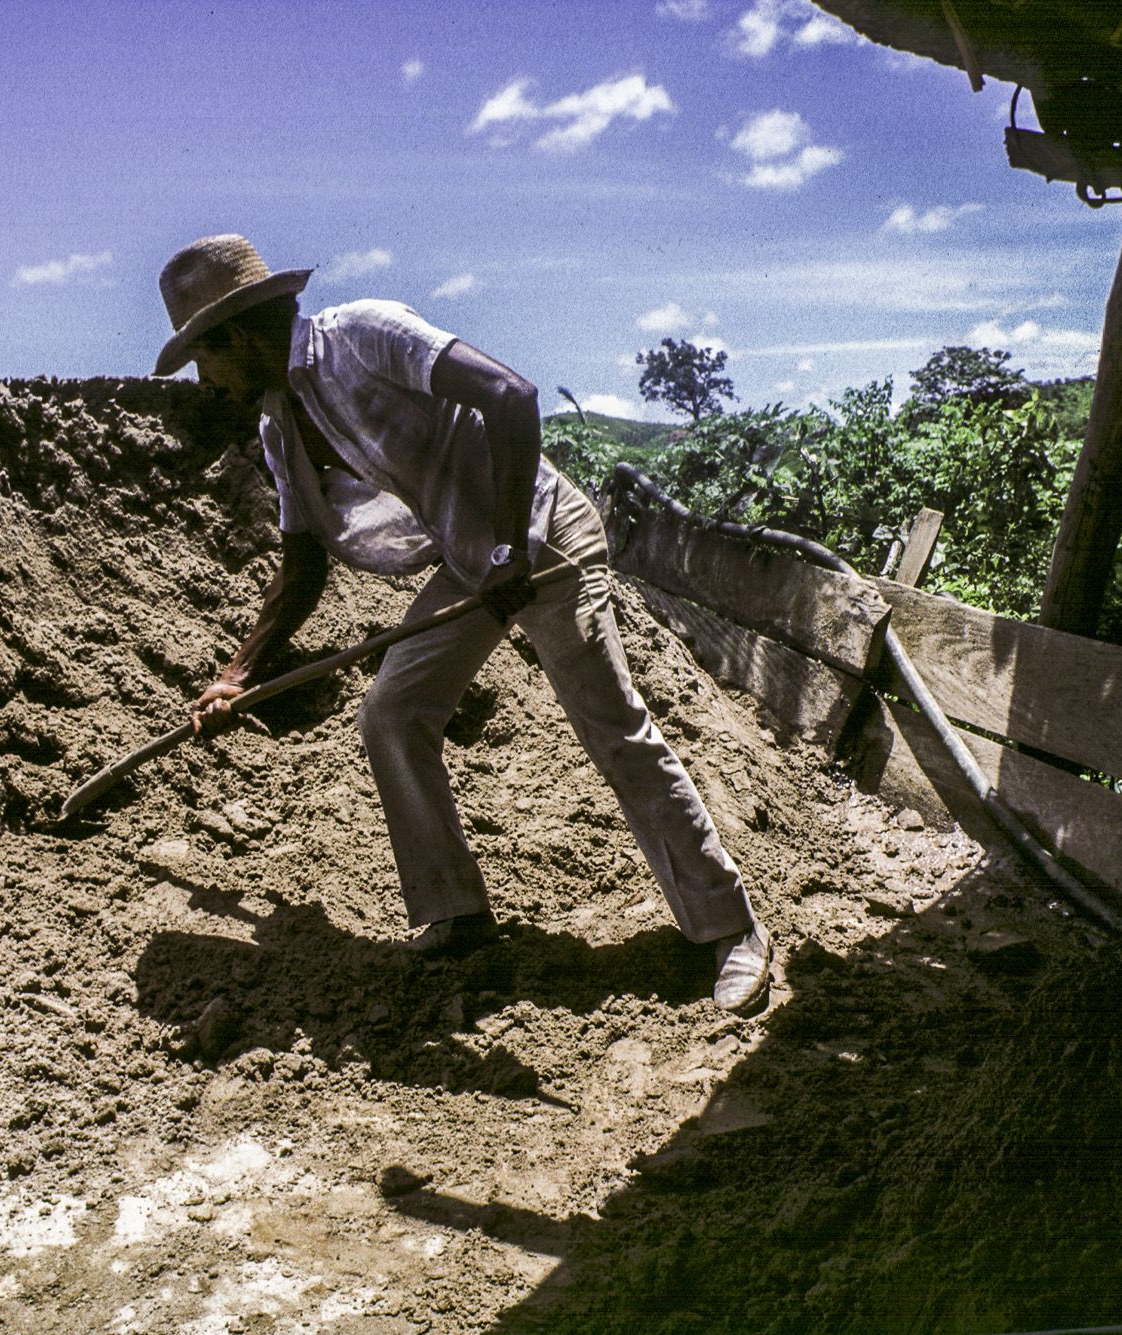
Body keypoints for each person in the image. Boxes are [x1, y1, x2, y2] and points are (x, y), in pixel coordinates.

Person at [153, 234, 772, 1013]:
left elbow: (510, 395)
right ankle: (454, 911)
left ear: (235, 337)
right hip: (474, 560)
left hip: (542, 541)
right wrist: (235, 675)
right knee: (391, 712)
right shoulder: (281, 427)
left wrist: (511, 544)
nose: (206, 381)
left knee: (609, 724)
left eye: (202, 360)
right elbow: (301, 567)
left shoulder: (362, 334)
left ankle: (730, 925)